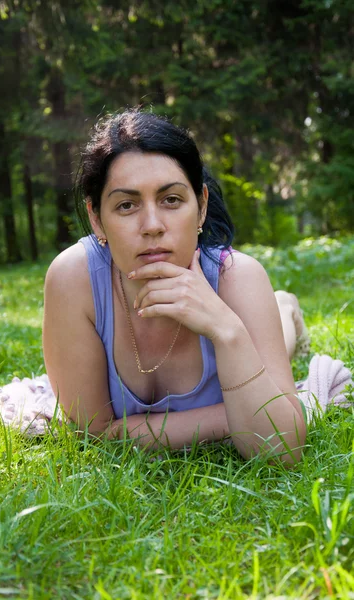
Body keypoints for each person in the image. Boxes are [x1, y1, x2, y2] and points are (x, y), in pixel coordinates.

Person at [42, 108, 307, 463]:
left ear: (200, 207)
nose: (152, 225)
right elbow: (93, 435)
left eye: (171, 200)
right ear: (96, 218)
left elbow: (282, 450)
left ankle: (283, 310)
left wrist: (226, 329)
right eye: (126, 205)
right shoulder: (73, 279)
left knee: (279, 341)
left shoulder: (237, 277)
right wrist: (235, 418)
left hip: (239, 299)